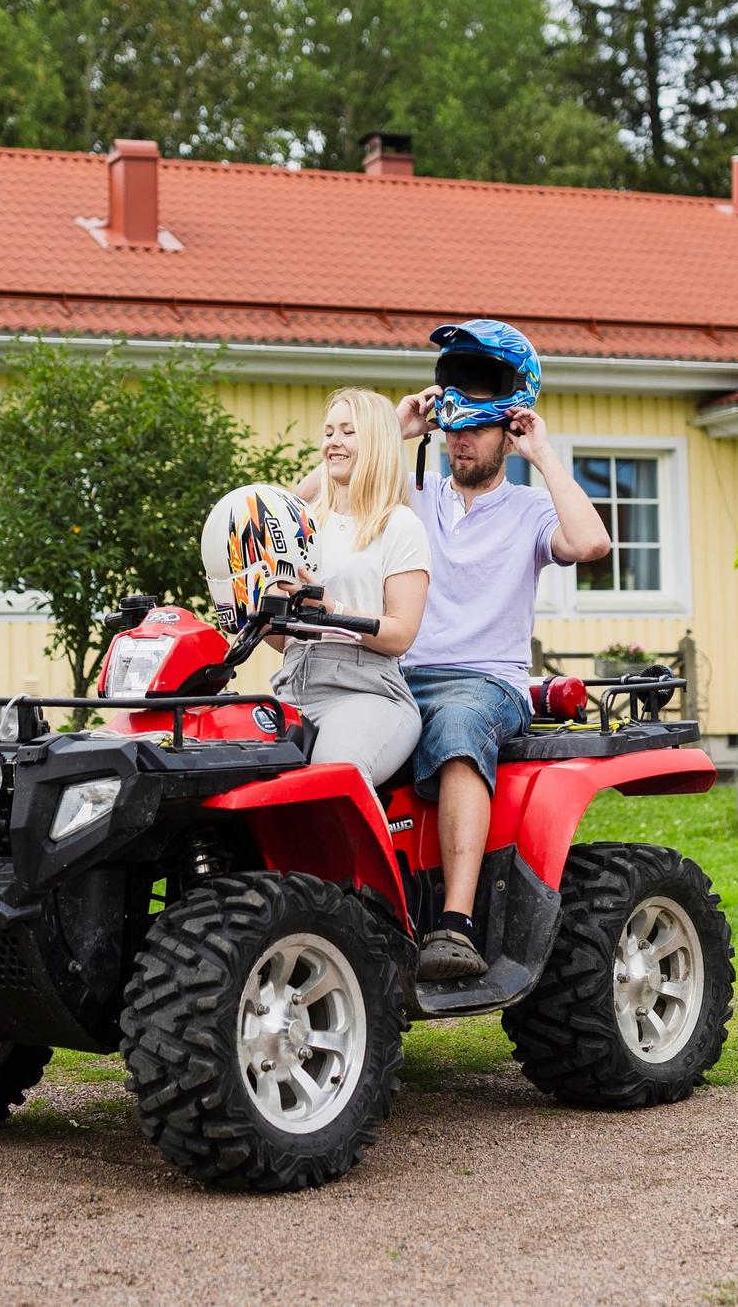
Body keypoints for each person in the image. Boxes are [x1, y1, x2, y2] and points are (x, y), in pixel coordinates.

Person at [395, 321, 611, 981]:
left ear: (508, 433)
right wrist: (389, 434)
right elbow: (296, 511)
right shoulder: (412, 498)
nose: (460, 441)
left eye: (477, 430)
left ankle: (455, 924)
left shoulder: (529, 509)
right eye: (451, 430)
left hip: (486, 684)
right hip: (397, 674)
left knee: (458, 723)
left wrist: (544, 455)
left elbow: (591, 544)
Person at [270, 388, 431, 791]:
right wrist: (254, 608)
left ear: (375, 441)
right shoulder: (305, 524)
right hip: (292, 684)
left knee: (333, 778)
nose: (333, 442)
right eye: (328, 432)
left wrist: (332, 610)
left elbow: (401, 634)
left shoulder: (399, 525)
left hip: (367, 692)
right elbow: (283, 639)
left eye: (348, 431)